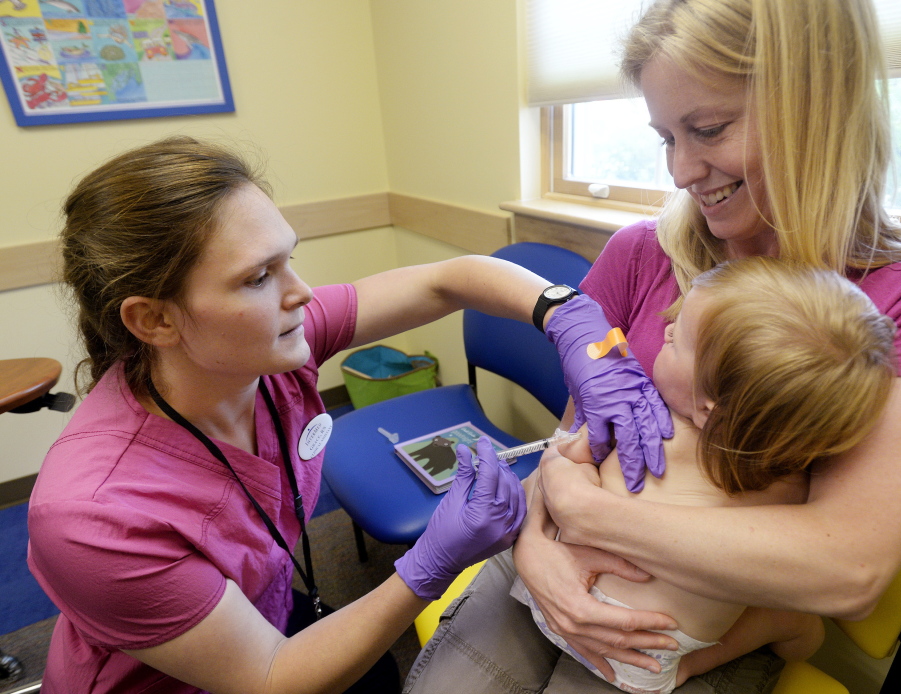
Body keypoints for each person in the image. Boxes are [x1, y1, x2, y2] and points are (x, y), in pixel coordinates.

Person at [403, 1, 901, 692]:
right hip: (556, 548)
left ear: (817, 103)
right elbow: (573, 439)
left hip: (704, 615)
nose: (680, 171)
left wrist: (593, 515)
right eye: (664, 138)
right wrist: (535, 550)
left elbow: (847, 570)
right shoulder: (637, 255)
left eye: (706, 129)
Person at [25, 136, 670, 694]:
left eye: (289, 258)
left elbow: (446, 282)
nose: (301, 292)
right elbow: (271, 678)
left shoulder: (263, 347)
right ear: (154, 319)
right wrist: (431, 562)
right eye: (258, 278)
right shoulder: (94, 518)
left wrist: (566, 313)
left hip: (269, 612)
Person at [512, 257, 897, 694]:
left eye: (679, 340)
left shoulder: (644, 424)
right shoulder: (792, 489)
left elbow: (565, 453)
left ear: (709, 407)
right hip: (647, 665)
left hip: (549, 603)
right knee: (784, 621)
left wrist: (564, 468)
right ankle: (710, 658)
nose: (667, 331)